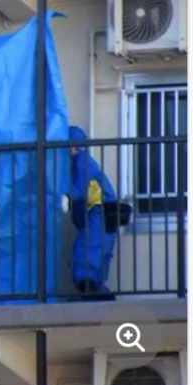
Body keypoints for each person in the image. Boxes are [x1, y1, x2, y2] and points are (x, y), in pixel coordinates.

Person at [68, 126, 119, 294]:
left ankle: (89, 286)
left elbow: (80, 187)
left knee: (86, 247)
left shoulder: (80, 161)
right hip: (107, 208)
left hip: (99, 209)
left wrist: (66, 197)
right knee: (101, 249)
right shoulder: (86, 160)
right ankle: (98, 287)